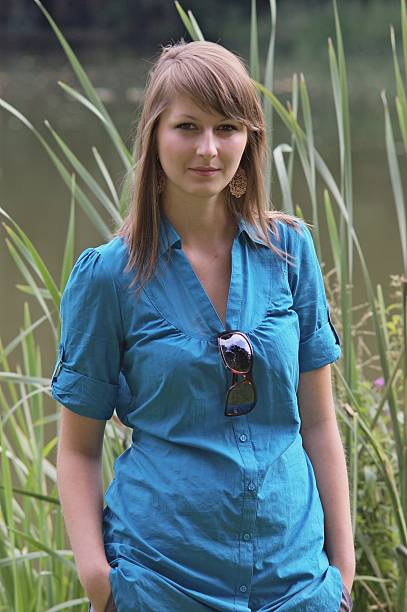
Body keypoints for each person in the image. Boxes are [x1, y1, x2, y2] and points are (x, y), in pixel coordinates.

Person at [51, 40, 356, 612]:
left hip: (297, 583)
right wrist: (100, 579)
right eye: (188, 126)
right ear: (154, 135)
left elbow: (317, 422)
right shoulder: (108, 277)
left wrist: (342, 568)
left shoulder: (290, 252)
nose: (209, 149)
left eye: (227, 127)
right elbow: (79, 450)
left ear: (251, 138)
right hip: (164, 584)